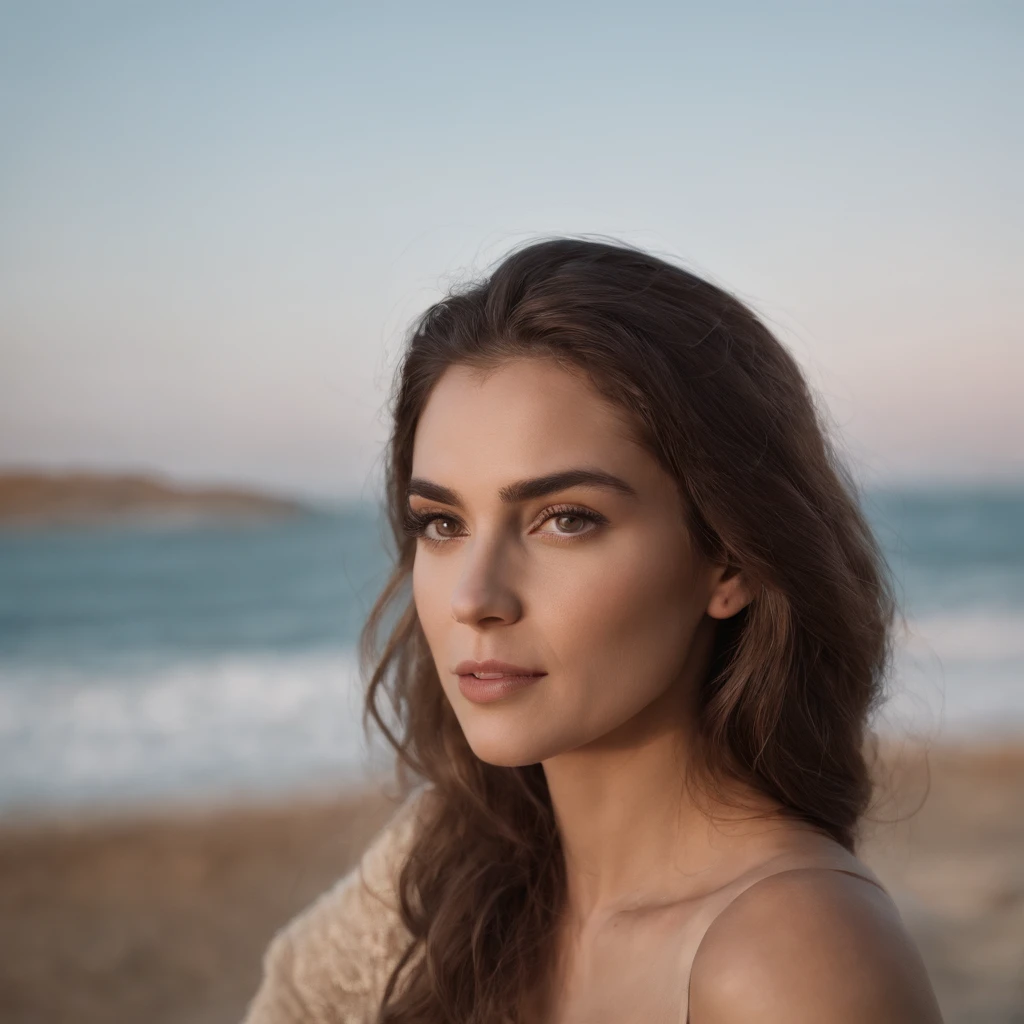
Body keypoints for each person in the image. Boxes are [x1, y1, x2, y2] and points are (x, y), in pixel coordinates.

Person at [242, 237, 943, 1023]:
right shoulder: (445, 866)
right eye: (442, 523)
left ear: (729, 560)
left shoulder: (788, 958)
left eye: (565, 519)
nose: (473, 597)